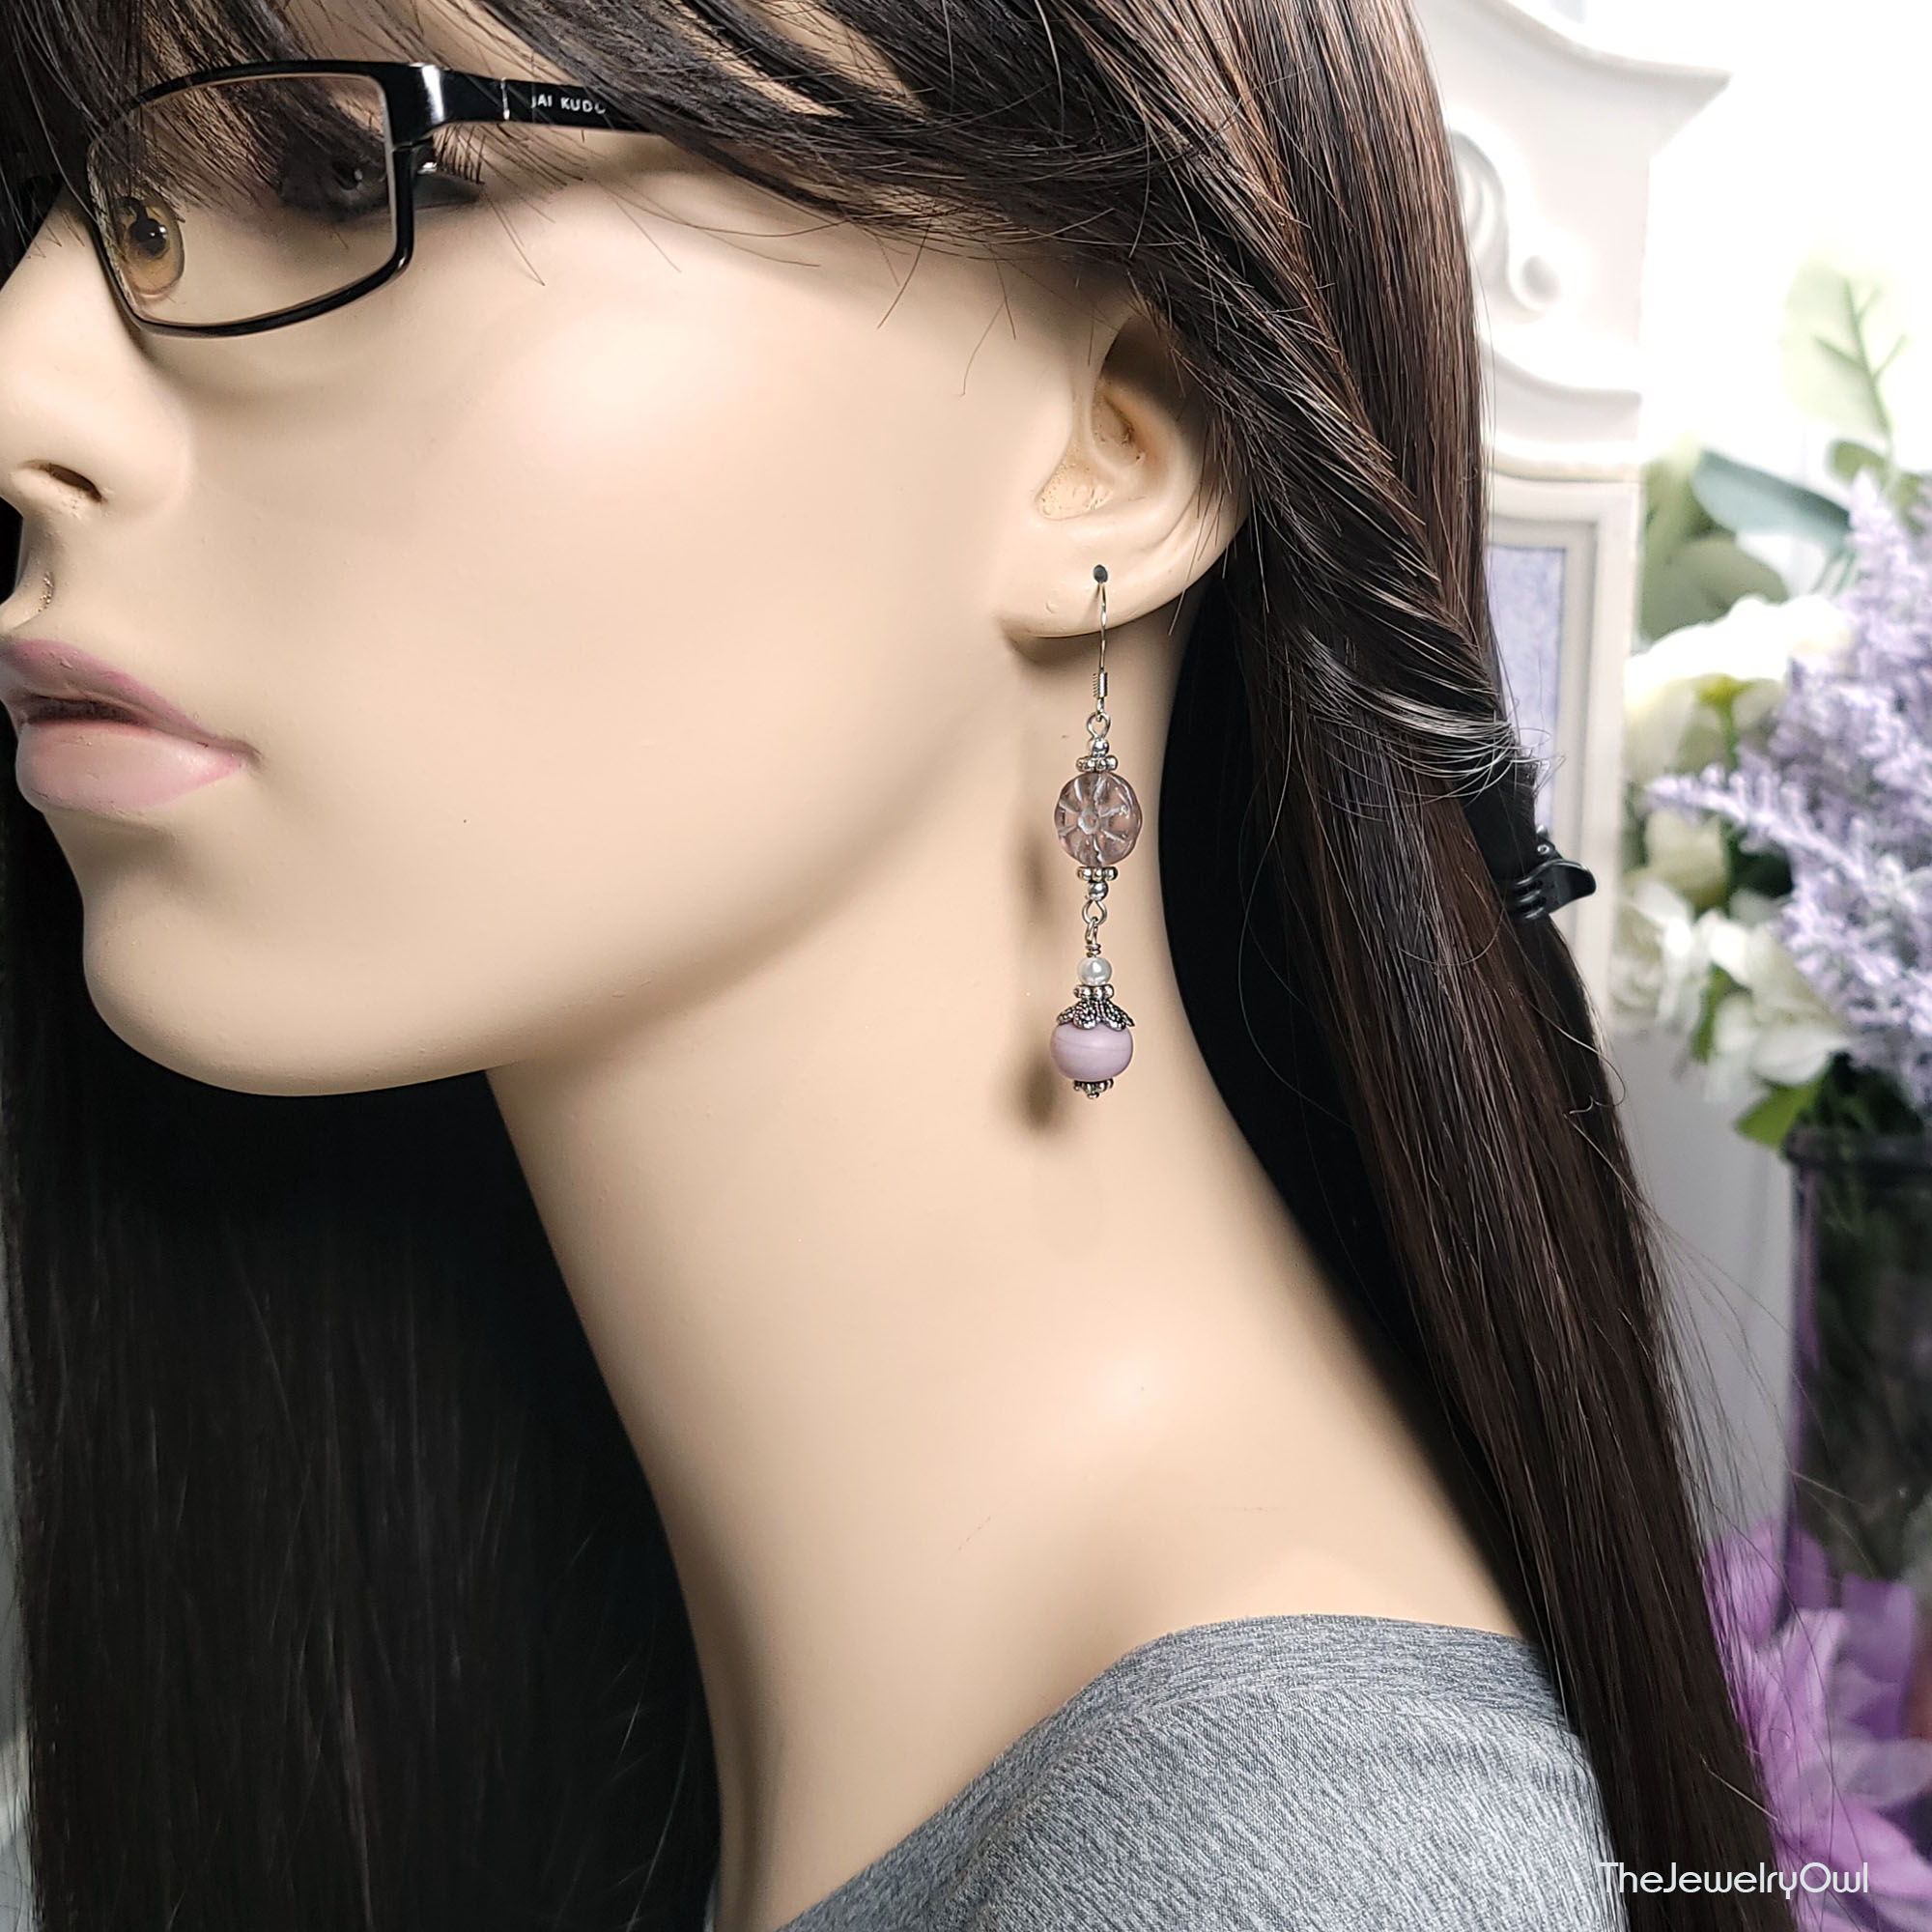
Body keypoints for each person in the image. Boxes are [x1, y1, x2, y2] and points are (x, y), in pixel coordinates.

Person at [0, 0, 1785, 1927]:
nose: (28, 386)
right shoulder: (525, 1667)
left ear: (1112, 445)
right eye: (78, 205)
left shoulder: (1302, 1875)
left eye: (340, 174)